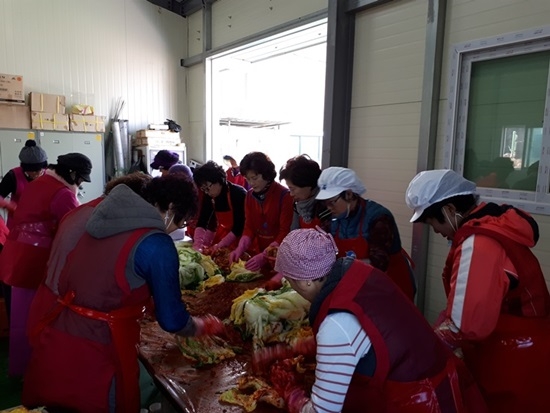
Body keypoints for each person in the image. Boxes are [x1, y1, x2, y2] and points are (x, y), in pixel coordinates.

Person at [22, 175, 225, 413]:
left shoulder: (102, 220)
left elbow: (107, 280)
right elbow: (171, 319)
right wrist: (199, 326)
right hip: (99, 349)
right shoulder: (156, 243)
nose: (176, 230)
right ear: (171, 209)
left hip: (61, 336)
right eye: (181, 223)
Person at [268, 228, 486, 413]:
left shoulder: (336, 323)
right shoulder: (359, 271)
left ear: (306, 282)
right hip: (434, 376)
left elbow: (323, 410)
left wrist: (291, 393)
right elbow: (369, 335)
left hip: (415, 400)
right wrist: (300, 349)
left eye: (290, 280)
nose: (291, 286)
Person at [405, 169, 550, 412]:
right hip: (524, 346)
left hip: (515, 359)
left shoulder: (479, 243)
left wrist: (425, 346)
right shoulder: (492, 225)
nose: (437, 231)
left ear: (450, 210)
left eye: (433, 223)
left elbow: (466, 324)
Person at [0, 153, 92, 377]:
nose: (80, 184)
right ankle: (40, 368)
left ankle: (22, 367)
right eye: (80, 179)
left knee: (21, 315)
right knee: (41, 315)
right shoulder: (62, 194)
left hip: (18, 255)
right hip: (38, 260)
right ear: (71, 174)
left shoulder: (39, 183)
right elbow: (75, 228)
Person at [315, 167, 416, 301]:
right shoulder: (333, 218)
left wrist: (339, 268)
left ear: (349, 194)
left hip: (390, 284)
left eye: (332, 202)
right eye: (325, 203)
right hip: (357, 282)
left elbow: (379, 263)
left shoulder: (379, 217)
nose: (328, 207)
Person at [0, 139, 48, 319]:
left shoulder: (48, 174)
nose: (36, 174)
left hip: (42, 233)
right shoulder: (13, 176)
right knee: (19, 275)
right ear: (23, 167)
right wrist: (12, 207)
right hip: (18, 233)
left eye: (39, 170)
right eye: (32, 171)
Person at [229, 152, 294, 272]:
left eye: (255, 178)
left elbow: (285, 232)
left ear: (267, 174)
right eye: (247, 179)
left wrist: (265, 255)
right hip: (260, 255)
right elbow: (249, 227)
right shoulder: (249, 195)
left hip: (282, 257)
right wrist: (240, 248)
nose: (251, 183)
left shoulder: (285, 196)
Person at [191, 160, 246, 252]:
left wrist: (218, 246)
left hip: (243, 239)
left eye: (208, 187)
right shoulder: (210, 195)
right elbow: (203, 221)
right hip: (226, 235)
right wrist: (197, 245)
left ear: (218, 180)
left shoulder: (238, 194)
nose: (206, 192)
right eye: (203, 189)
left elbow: (238, 227)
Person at [279, 155, 331, 231]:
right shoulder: (297, 204)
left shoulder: (327, 207)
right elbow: (294, 232)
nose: (291, 194)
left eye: (293, 189)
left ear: (307, 185)